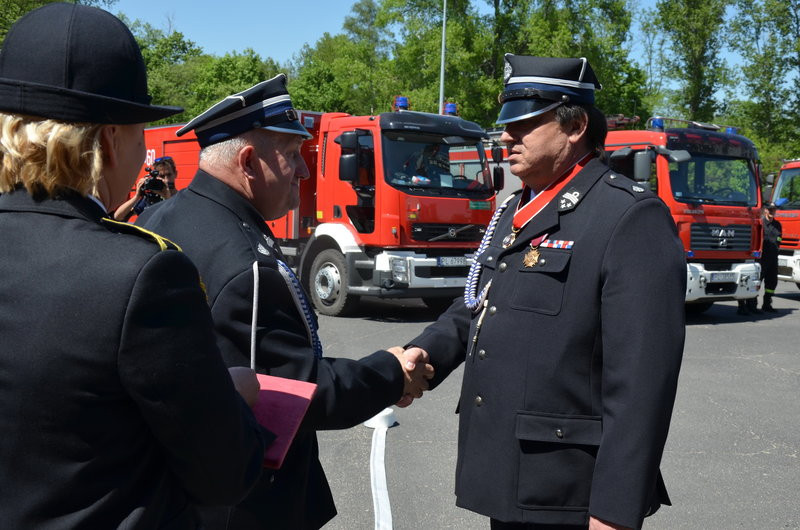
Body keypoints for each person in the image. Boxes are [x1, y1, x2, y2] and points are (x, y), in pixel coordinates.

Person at [0, 4, 268, 528]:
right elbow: (224, 473)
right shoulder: (143, 273)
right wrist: (234, 396)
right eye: (140, 129)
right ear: (108, 140)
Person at [402, 55, 686, 530]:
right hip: (509, 472)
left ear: (574, 127)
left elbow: (642, 385)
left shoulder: (628, 217)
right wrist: (421, 355)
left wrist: (614, 511)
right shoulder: (519, 206)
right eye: (506, 125)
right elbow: (477, 299)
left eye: (524, 125)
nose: (507, 137)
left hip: (567, 489)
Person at [137, 75, 434, 530]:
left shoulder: (165, 215)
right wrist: (391, 372)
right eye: (293, 155)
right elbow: (288, 395)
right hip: (248, 508)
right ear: (249, 161)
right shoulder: (244, 262)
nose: (304, 171)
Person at [114, 156, 178, 220]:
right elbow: (117, 216)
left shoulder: (181, 197)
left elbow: (176, 219)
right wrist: (137, 197)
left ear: (175, 174)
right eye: (162, 176)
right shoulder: (151, 198)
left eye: (169, 175)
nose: (166, 180)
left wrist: (167, 197)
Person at [760, 201, 782, 312]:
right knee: (757, 282)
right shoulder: (760, 223)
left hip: (773, 258)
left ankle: (767, 304)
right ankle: (751, 306)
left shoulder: (778, 225)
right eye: (770, 209)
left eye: (774, 209)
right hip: (761, 259)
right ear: (765, 210)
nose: (772, 211)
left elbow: (779, 239)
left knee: (772, 282)